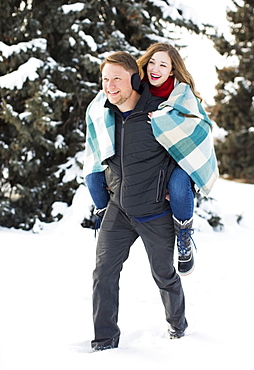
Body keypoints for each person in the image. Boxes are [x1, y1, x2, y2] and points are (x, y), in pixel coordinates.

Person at [84, 43, 218, 276]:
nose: (155, 68)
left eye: (163, 65)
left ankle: (184, 234)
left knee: (177, 185)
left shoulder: (181, 93)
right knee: (93, 177)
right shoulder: (139, 85)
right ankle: (107, 220)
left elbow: (199, 126)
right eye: (151, 62)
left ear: (172, 71)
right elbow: (113, 95)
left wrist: (164, 119)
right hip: (142, 154)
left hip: (178, 155)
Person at [85, 51, 188, 352]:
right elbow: (95, 152)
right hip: (118, 209)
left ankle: (177, 326)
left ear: (133, 78)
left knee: (163, 273)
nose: (110, 85)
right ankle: (104, 342)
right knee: (103, 273)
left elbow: (184, 153)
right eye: (105, 79)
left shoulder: (159, 113)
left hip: (154, 211)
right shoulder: (104, 115)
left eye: (117, 78)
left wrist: (172, 185)